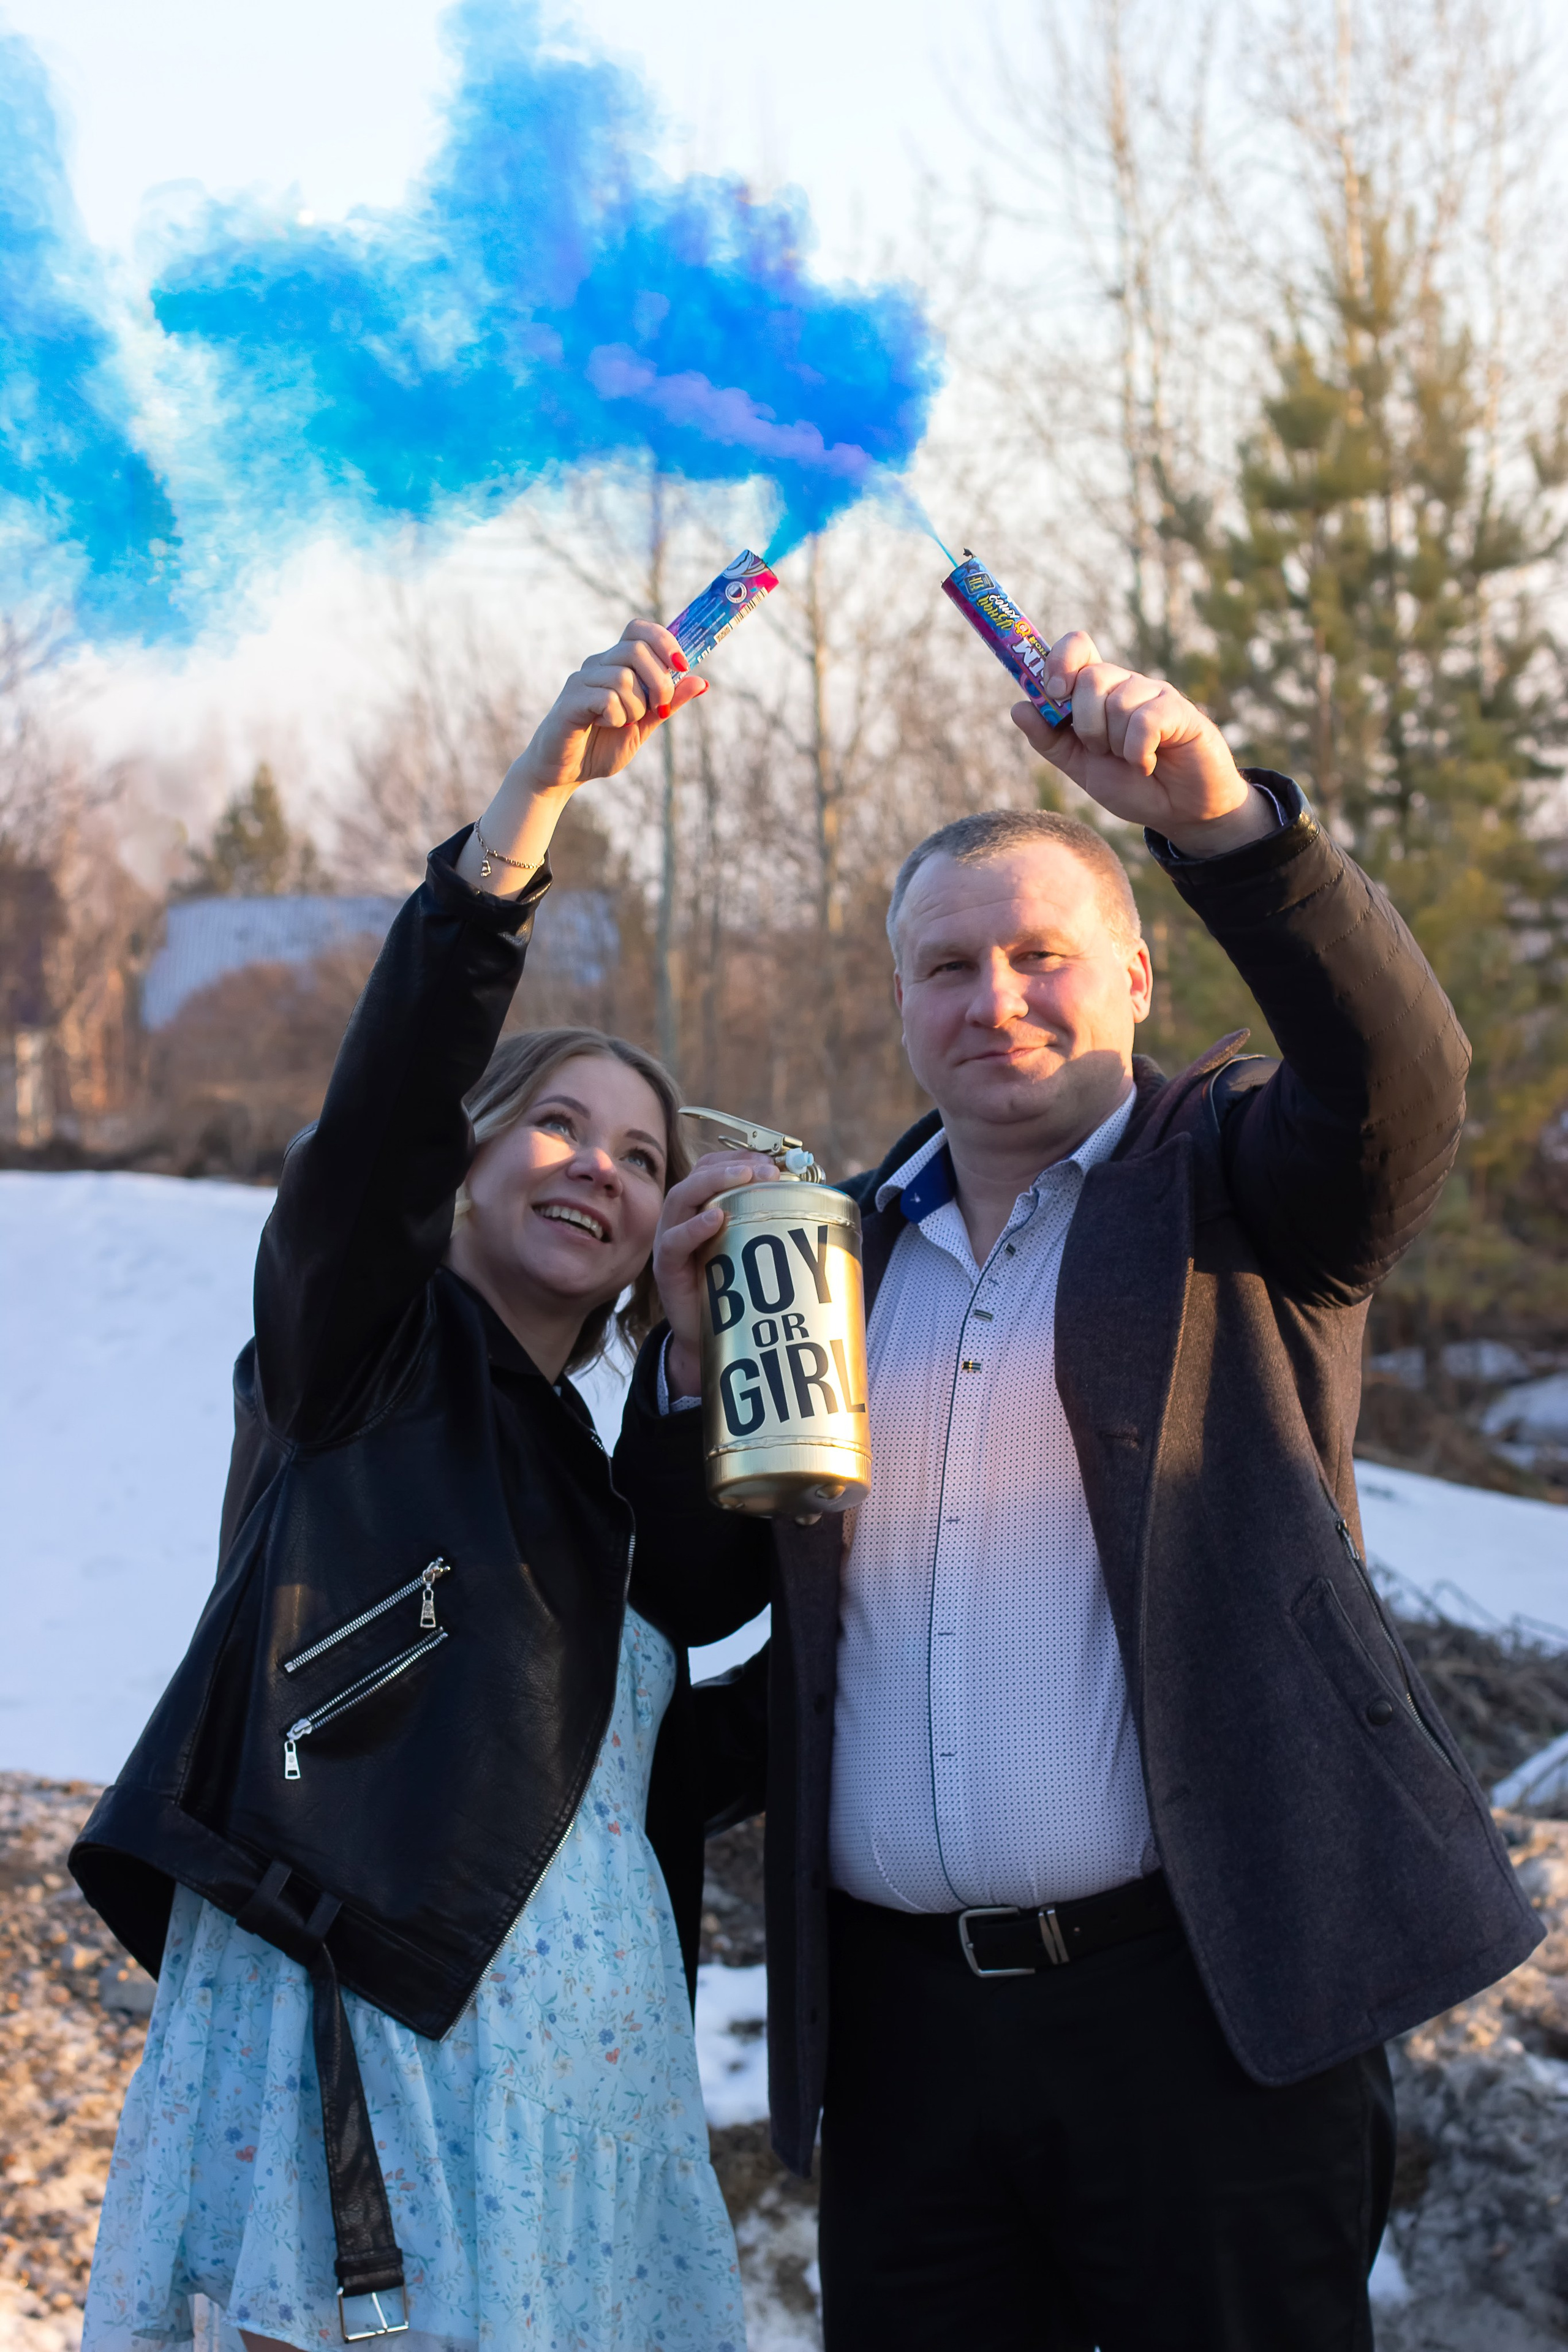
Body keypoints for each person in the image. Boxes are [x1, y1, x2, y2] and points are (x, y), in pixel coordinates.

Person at [619, 630, 1544, 2351]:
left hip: (1204, 2012)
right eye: (947, 968)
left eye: (1042, 955)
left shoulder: (1236, 1184)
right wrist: (684, 1375)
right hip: (906, 2043)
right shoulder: (829, 1258)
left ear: (1134, 973)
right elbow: (693, 1596)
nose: (996, 1001)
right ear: (900, 1002)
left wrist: (1228, 831)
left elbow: (1403, 1087)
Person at [71, 621, 764, 2352]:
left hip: (584, 2063)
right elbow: (375, 1113)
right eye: (556, 1123)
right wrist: (525, 818)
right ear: (464, 1161)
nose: (599, 1167)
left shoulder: (581, 1468)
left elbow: (693, 1607)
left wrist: (689, 1355)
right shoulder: (359, 1357)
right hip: (382, 2024)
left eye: (641, 1158)